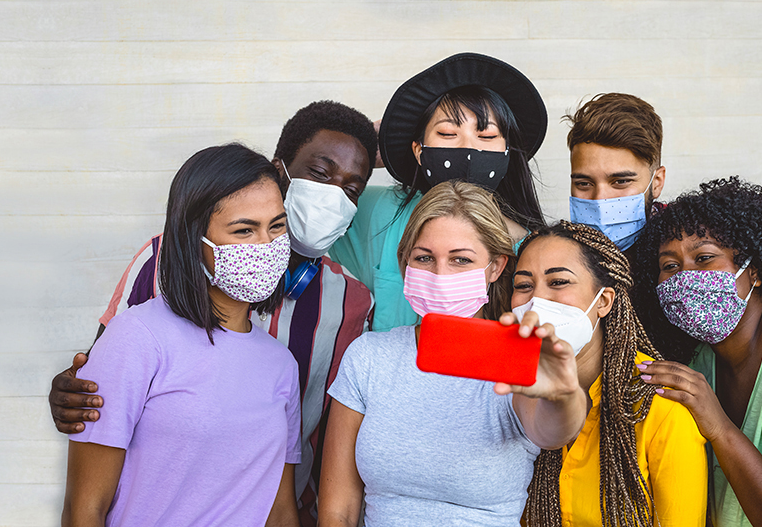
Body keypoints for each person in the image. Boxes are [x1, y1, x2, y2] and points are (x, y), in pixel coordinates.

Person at [51, 101, 378, 520]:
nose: (262, 245)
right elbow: (96, 389)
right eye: (319, 173)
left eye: (351, 188)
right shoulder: (152, 285)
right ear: (282, 172)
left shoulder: (330, 322)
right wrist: (74, 392)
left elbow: (289, 494)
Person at [318, 182, 586, 526]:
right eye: (424, 258)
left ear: (495, 267)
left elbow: (554, 433)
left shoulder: (513, 356)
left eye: (461, 259)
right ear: (406, 263)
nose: (440, 274)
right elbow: (338, 510)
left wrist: (563, 396)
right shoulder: (369, 357)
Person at [62, 143, 301, 527]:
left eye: (276, 225)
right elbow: (84, 508)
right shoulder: (136, 337)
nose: (266, 245)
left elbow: (279, 510)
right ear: (194, 239)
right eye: (244, 230)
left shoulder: (281, 366)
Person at [328, 52, 548, 332]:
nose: (468, 149)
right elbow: (291, 210)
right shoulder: (380, 213)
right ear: (419, 150)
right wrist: (359, 148)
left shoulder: (526, 246)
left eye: (487, 136)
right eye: (447, 134)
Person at [513, 221, 706, 526]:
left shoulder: (662, 409)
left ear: (603, 301)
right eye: (523, 285)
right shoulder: (514, 394)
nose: (537, 301)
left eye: (559, 282)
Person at [632, 177, 762, 527]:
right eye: (670, 266)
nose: (685, 277)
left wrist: (717, 424)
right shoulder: (694, 362)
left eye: (704, 258)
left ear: (754, 271)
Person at [565, 92, 666, 254]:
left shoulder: (687, 256)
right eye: (584, 184)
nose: (599, 199)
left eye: (620, 181)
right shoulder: (558, 257)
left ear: (657, 182)